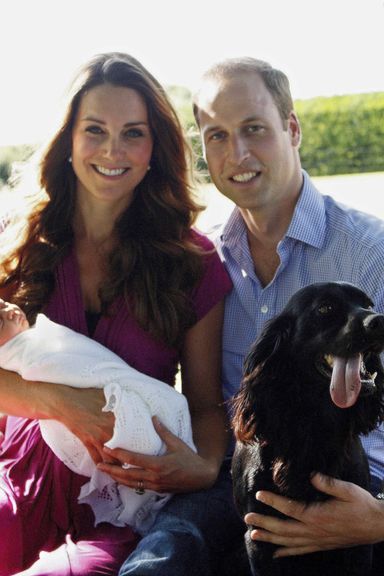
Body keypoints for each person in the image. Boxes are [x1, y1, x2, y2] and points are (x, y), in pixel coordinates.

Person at [0, 52, 234, 576]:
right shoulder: (20, 242)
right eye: (95, 130)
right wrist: (60, 402)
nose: (113, 150)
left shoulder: (191, 263)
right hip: (17, 474)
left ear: (156, 149)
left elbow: (205, 404)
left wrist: (200, 468)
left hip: (123, 502)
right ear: (69, 142)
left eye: (133, 133)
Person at [192, 56, 384, 562]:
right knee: (165, 550)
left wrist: (378, 520)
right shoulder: (203, 263)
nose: (238, 153)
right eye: (217, 135)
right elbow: (198, 404)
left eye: (254, 128)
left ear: (292, 128)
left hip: (367, 498)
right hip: (246, 492)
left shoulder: (371, 253)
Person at [0, 298, 196, 534]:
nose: (10, 311)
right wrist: (60, 402)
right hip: (21, 469)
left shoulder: (195, 270)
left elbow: (208, 408)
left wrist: (203, 471)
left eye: (4, 304)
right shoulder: (25, 264)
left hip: (115, 497)